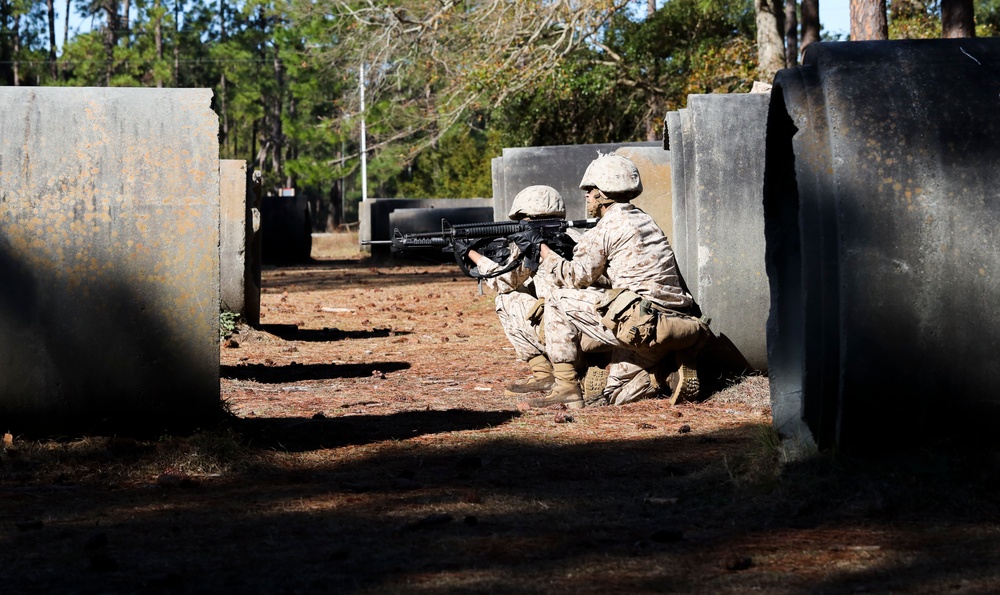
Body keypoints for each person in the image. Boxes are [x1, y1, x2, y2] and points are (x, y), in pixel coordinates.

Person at [522, 153, 708, 409]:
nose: (586, 195)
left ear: (602, 194)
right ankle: (663, 375)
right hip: (672, 323)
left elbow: (573, 277)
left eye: (590, 190)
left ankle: (566, 386)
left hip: (638, 326)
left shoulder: (607, 227)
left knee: (556, 298)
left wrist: (543, 251)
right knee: (612, 394)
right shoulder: (646, 220)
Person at [464, 185, 590, 396]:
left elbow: (505, 281)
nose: (519, 225)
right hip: (590, 329)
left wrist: (471, 254)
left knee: (506, 300)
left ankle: (545, 374)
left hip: (562, 331)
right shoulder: (580, 237)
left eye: (523, 220)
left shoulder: (533, 243)